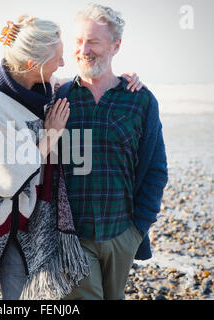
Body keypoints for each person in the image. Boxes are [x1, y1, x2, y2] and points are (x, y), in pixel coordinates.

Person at [0, 14, 144, 300]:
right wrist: (50, 135)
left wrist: (122, 80)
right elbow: (6, 178)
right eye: (57, 58)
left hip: (24, 220)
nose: (63, 64)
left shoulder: (44, 89)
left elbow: (80, 82)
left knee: (24, 298)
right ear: (30, 65)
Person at [59, 3, 168, 300]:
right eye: (79, 41)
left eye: (93, 41)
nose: (84, 49)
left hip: (123, 231)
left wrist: (138, 228)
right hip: (73, 237)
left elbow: (157, 169)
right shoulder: (59, 97)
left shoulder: (140, 100)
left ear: (115, 45)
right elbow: (17, 82)